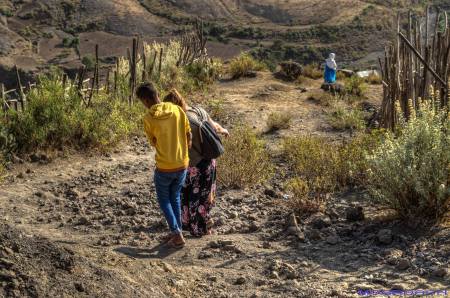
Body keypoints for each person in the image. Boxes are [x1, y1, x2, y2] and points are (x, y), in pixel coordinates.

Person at [164, 89, 229, 237]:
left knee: (187, 197)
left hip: (191, 166)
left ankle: (194, 228)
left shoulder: (179, 120)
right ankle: (202, 227)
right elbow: (215, 127)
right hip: (208, 163)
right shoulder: (198, 110)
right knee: (203, 198)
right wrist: (224, 130)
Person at [136, 83, 192, 248]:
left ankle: (177, 233)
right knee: (174, 197)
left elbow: (153, 142)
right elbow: (188, 133)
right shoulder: (177, 110)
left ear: (145, 100)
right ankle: (177, 230)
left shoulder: (149, 118)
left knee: (164, 200)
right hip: (182, 164)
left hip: (164, 166)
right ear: (157, 94)